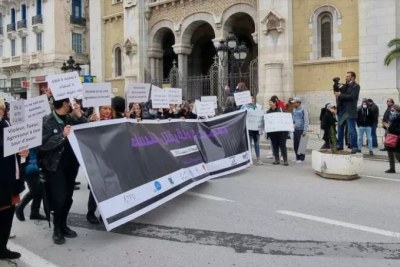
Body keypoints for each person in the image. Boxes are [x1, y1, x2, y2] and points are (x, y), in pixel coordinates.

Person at [40, 98, 88, 245]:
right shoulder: (47, 121)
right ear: (65, 104)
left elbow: (87, 129)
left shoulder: (70, 118)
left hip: (71, 165)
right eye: (70, 103)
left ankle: (63, 224)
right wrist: (62, 136)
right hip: (55, 167)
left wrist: (79, 114)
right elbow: (43, 145)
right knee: (59, 199)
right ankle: (57, 229)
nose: (71, 105)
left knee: (68, 198)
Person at [0, 99, 29, 259]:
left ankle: (2, 245)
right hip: (2, 181)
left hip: (12, 178)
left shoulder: (6, 124)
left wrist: (24, 152)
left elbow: (17, 145)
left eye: (1, 109)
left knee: (8, 213)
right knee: (4, 214)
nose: (1, 112)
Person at [15, 148, 47, 221]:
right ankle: (20, 207)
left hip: (36, 165)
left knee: (40, 190)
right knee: (34, 190)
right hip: (28, 167)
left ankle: (34, 212)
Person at [334, 71, 360, 153]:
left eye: (348, 76)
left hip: (349, 112)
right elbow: (337, 90)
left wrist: (340, 95)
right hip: (342, 112)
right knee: (340, 128)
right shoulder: (345, 86)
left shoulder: (356, 86)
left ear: (353, 77)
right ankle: (340, 145)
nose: (346, 77)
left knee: (351, 130)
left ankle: (355, 146)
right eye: (346, 76)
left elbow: (352, 97)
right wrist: (335, 83)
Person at [241, 95, 264, 165]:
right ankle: (249, 159)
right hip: (249, 129)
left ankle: (258, 159)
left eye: (252, 98)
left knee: (257, 144)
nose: (251, 99)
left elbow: (261, 116)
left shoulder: (259, 106)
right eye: (250, 98)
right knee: (249, 144)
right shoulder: (244, 107)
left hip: (256, 129)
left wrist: (261, 127)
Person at [266, 98, 288, 166]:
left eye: (271, 102)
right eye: (269, 102)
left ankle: (285, 160)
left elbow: (285, 118)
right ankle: (277, 159)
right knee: (275, 146)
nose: (270, 104)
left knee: (283, 146)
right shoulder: (268, 112)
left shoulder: (280, 110)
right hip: (273, 133)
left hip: (281, 132)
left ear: (275, 103)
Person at [383, 104, 400, 173]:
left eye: (393, 110)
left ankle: (392, 168)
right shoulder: (391, 117)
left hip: (397, 139)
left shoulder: (398, 118)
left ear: (397, 111)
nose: (391, 112)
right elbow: (389, 128)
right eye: (391, 111)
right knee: (390, 154)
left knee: (397, 155)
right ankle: (392, 168)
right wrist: (385, 126)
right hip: (390, 138)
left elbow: (397, 129)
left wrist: (389, 127)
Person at [292, 97, 309, 163]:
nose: (294, 104)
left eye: (295, 103)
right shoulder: (294, 110)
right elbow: (293, 119)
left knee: (301, 144)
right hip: (295, 129)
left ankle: (301, 158)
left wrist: (305, 130)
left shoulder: (303, 109)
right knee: (295, 144)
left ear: (298, 103)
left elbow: (306, 120)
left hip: (301, 129)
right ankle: (297, 157)